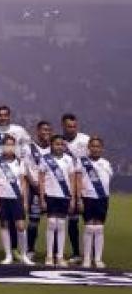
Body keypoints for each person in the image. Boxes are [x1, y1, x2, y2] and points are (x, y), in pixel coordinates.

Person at [0, 135, 33, 265]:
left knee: (20, 226)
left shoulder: (20, 162)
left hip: (16, 199)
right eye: (7, 145)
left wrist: (25, 201)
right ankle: (8, 255)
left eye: (12, 145)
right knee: (4, 225)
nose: (9, 147)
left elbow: (23, 183)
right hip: (2, 198)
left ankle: (24, 255)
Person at [39, 135, 78, 267]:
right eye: (56, 144)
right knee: (51, 224)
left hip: (64, 196)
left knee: (61, 225)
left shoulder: (68, 160)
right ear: (51, 145)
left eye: (61, 144)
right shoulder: (45, 159)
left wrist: (72, 198)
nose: (59, 146)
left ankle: (60, 256)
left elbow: (72, 180)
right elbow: (41, 180)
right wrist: (42, 198)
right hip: (50, 195)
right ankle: (49, 256)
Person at [78, 137, 112, 268]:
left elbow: (107, 180)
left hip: (102, 199)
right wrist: (80, 198)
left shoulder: (106, 163)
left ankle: (97, 259)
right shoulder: (83, 162)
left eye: (98, 146)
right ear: (89, 148)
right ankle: (86, 258)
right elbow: (79, 180)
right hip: (88, 197)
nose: (95, 149)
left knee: (99, 228)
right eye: (93, 146)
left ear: (102, 148)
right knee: (89, 227)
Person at [61, 113, 89, 263]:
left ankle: (89, 254)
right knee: (69, 220)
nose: (71, 129)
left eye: (74, 126)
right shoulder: (58, 142)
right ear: (63, 126)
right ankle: (75, 253)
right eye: (68, 126)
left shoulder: (85, 140)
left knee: (89, 222)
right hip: (66, 186)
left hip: (85, 186)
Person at [24, 121, 52, 260]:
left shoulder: (55, 148)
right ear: (37, 131)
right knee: (34, 222)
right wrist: (33, 183)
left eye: (48, 130)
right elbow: (26, 168)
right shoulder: (30, 148)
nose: (46, 132)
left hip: (52, 191)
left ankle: (52, 253)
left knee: (53, 222)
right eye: (43, 130)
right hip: (35, 189)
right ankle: (30, 250)